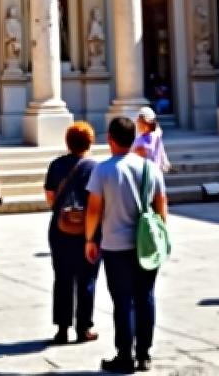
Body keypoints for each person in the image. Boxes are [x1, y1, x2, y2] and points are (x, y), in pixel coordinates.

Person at [84, 116, 167, 374]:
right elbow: (161, 205)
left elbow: (94, 210)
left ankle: (124, 354)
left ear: (110, 139)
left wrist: (89, 239)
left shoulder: (103, 170)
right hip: (145, 245)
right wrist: (158, 235)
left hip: (115, 244)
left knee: (123, 300)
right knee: (146, 297)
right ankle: (144, 354)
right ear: (133, 139)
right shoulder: (149, 168)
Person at [44, 122, 99, 345]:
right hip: (87, 230)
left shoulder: (56, 165)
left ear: (67, 142)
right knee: (87, 279)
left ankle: (62, 329)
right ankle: (84, 327)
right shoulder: (94, 167)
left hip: (60, 228)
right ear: (89, 142)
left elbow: (50, 197)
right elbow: (97, 203)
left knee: (62, 278)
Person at [133, 107, 170, 173]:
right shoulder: (156, 135)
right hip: (155, 172)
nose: (137, 123)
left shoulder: (143, 139)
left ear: (145, 123)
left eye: (139, 121)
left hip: (147, 174)